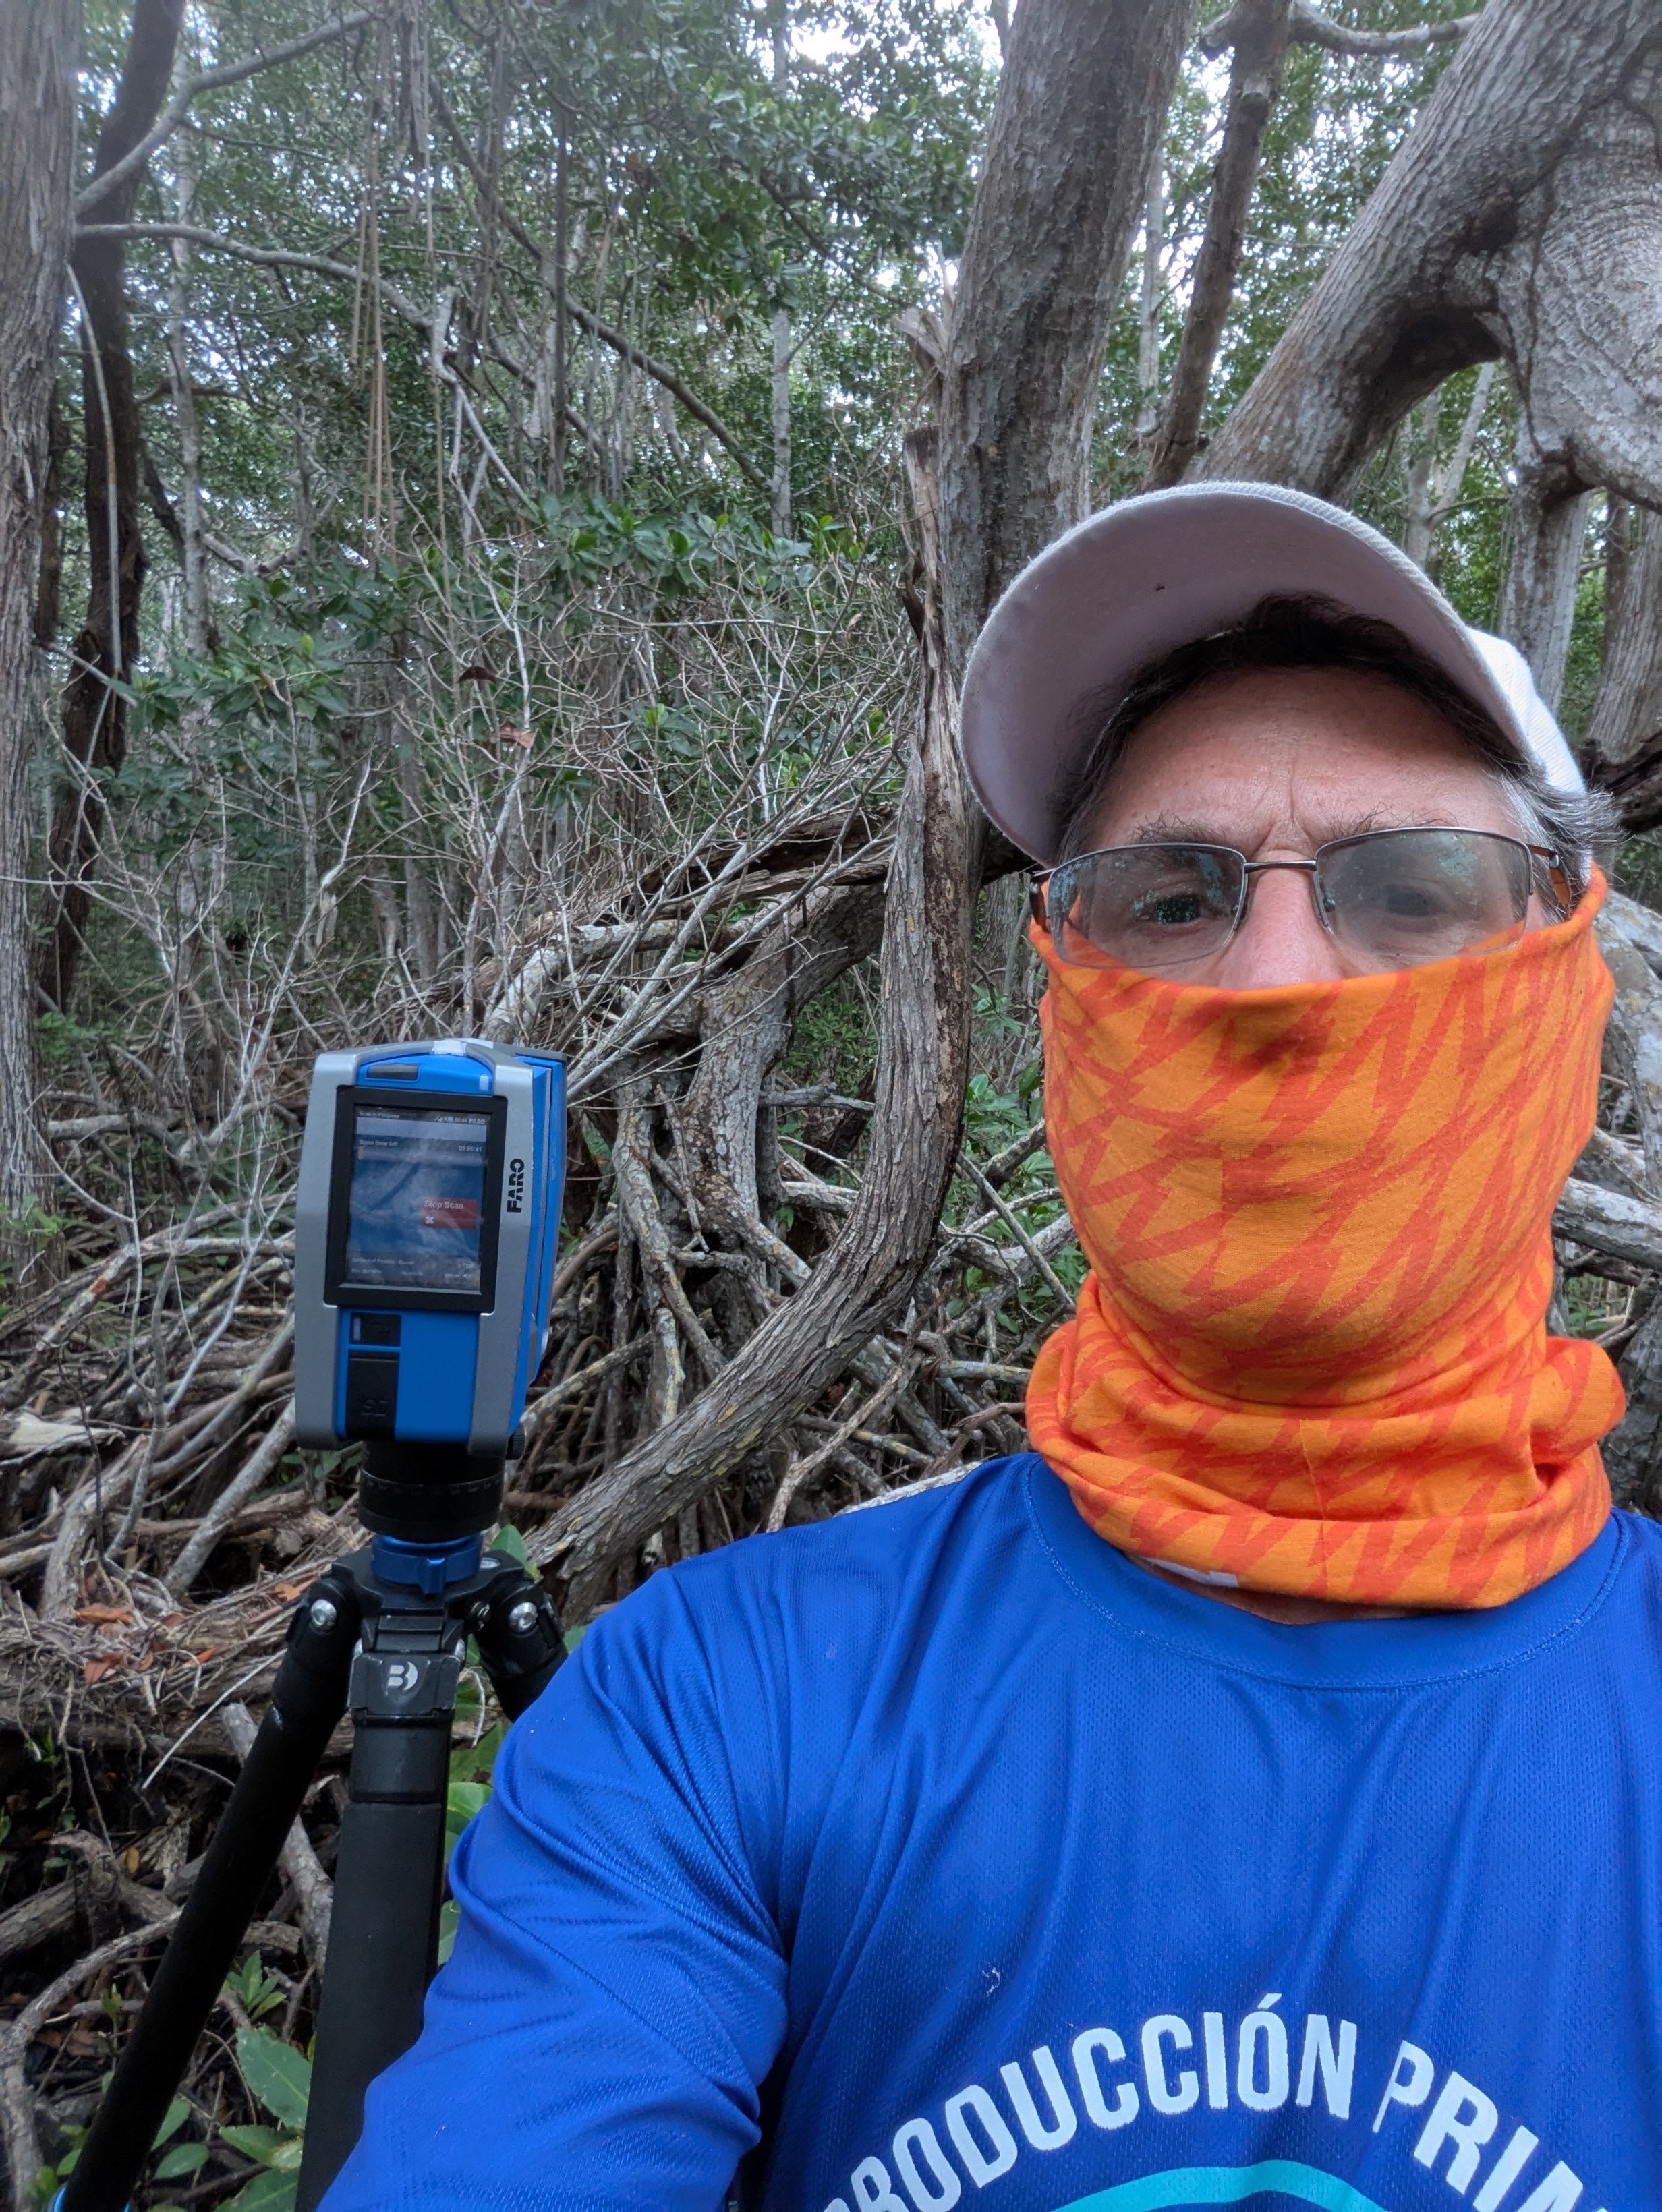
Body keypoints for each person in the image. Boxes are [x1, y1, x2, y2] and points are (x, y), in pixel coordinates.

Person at [323, 484, 1662, 2212]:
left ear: (1565, 979)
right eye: (1167, 897)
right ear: (1055, 1004)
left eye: (1407, 887)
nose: (1268, 978)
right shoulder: (722, 1696)